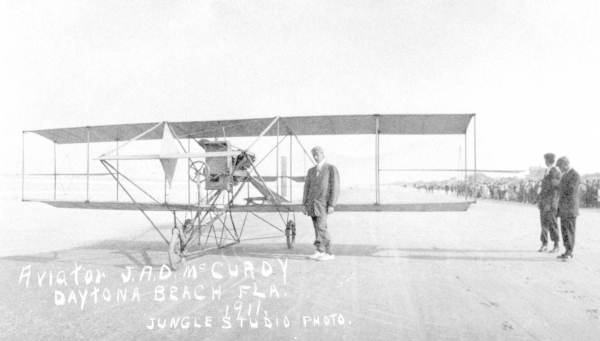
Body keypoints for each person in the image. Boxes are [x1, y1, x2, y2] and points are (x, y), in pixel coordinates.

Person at [302, 146, 340, 261]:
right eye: (314, 155)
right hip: (312, 205)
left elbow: (335, 187)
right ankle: (319, 250)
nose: (315, 157)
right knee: (316, 228)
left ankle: (329, 252)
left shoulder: (331, 169)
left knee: (321, 227)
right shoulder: (311, 171)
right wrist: (304, 204)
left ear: (323, 154)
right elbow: (306, 188)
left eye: (317, 154)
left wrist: (332, 204)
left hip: (323, 204)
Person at [556, 157, 581, 260]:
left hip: (570, 208)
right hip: (564, 208)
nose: (560, 169)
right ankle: (566, 250)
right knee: (564, 231)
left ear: (566, 164)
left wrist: (559, 187)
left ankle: (570, 252)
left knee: (570, 230)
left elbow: (571, 190)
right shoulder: (565, 175)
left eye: (560, 167)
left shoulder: (575, 175)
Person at [537, 153, 561, 253]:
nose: (545, 161)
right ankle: (544, 243)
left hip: (551, 203)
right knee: (543, 224)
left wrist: (550, 203)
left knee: (552, 224)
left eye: (546, 160)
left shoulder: (554, 171)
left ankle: (556, 244)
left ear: (548, 160)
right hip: (544, 202)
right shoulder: (548, 171)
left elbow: (555, 188)